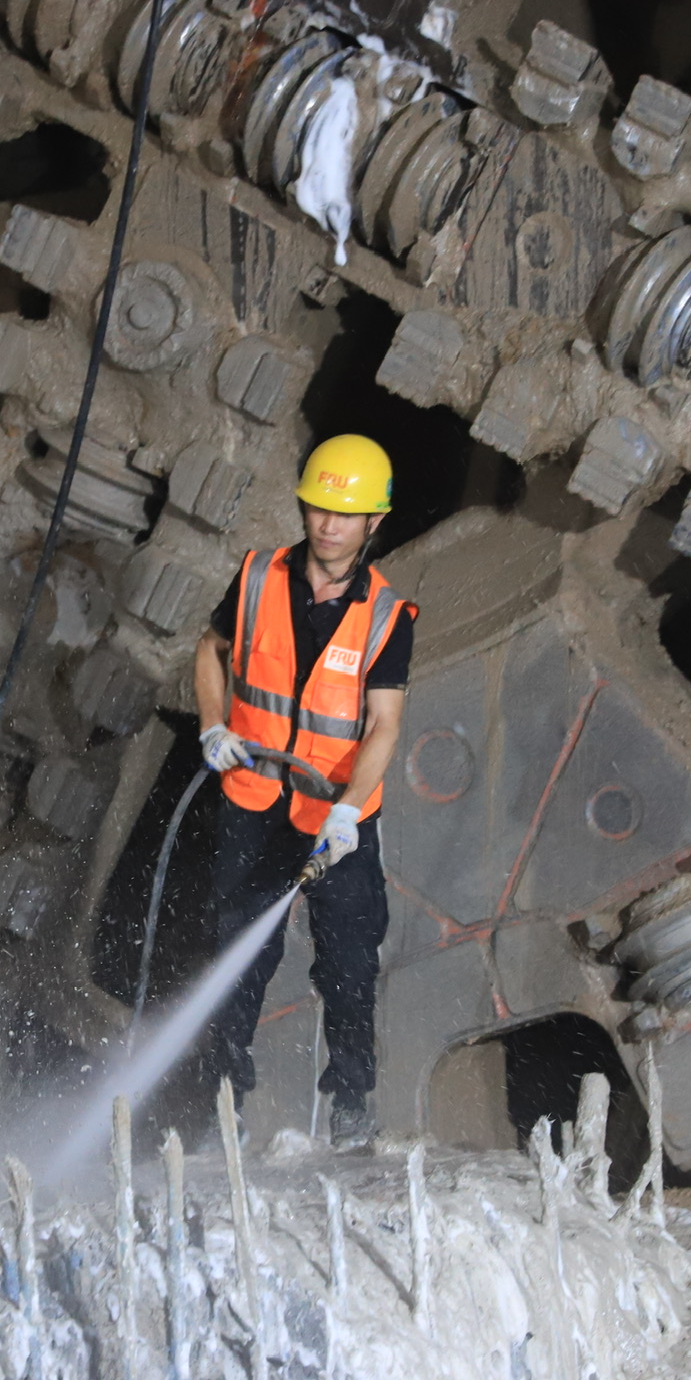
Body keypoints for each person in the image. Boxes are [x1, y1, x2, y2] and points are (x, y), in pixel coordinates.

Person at [192, 434, 417, 1149]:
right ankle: (222, 1108)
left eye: (346, 514)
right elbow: (210, 649)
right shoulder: (258, 576)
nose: (329, 524)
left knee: (348, 961)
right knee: (237, 958)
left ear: (374, 521)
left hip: (335, 818)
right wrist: (211, 724)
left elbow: (383, 725)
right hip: (255, 800)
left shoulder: (386, 616)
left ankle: (351, 1102)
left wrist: (349, 810)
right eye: (320, 508)